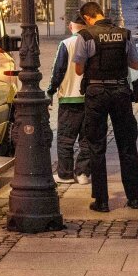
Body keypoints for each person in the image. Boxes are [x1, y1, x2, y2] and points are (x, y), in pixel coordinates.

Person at [73, 1, 138, 212]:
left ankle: (102, 201)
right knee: (127, 145)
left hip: (96, 93)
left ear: (87, 18)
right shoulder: (125, 34)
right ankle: (134, 198)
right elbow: (136, 65)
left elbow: (78, 70)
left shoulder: (86, 36)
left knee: (96, 146)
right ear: (101, 13)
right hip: (121, 92)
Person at [47, 20, 91, 185]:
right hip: (90, 98)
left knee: (66, 138)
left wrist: (50, 91)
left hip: (69, 98)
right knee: (87, 139)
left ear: (71, 27)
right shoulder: (91, 42)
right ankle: (83, 173)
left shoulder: (66, 44)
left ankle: (65, 174)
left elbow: (57, 70)